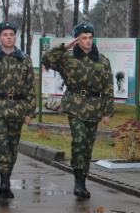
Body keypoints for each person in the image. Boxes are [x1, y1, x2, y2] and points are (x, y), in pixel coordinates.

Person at [41, 23, 113, 198]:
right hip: (74, 104)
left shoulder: (102, 60)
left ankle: (83, 180)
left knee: (87, 146)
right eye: (83, 38)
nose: (88, 41)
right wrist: (63, 47)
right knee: (79, 141)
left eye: (90, 37)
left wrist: (108, 111)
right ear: (77, 39)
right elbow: (46, 60)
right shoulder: (67, 58)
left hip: (94, 106)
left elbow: (108, 87)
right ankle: (78, 182)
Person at [0, 21, 36, 198]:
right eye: (5, 35)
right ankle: (4, 182)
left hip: (18, 108)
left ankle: (8, 174)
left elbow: (29, 87)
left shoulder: (24, 60)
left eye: (11, 34)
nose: (9, 37)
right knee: (3, 143)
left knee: (12, 145)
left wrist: (29, 111)